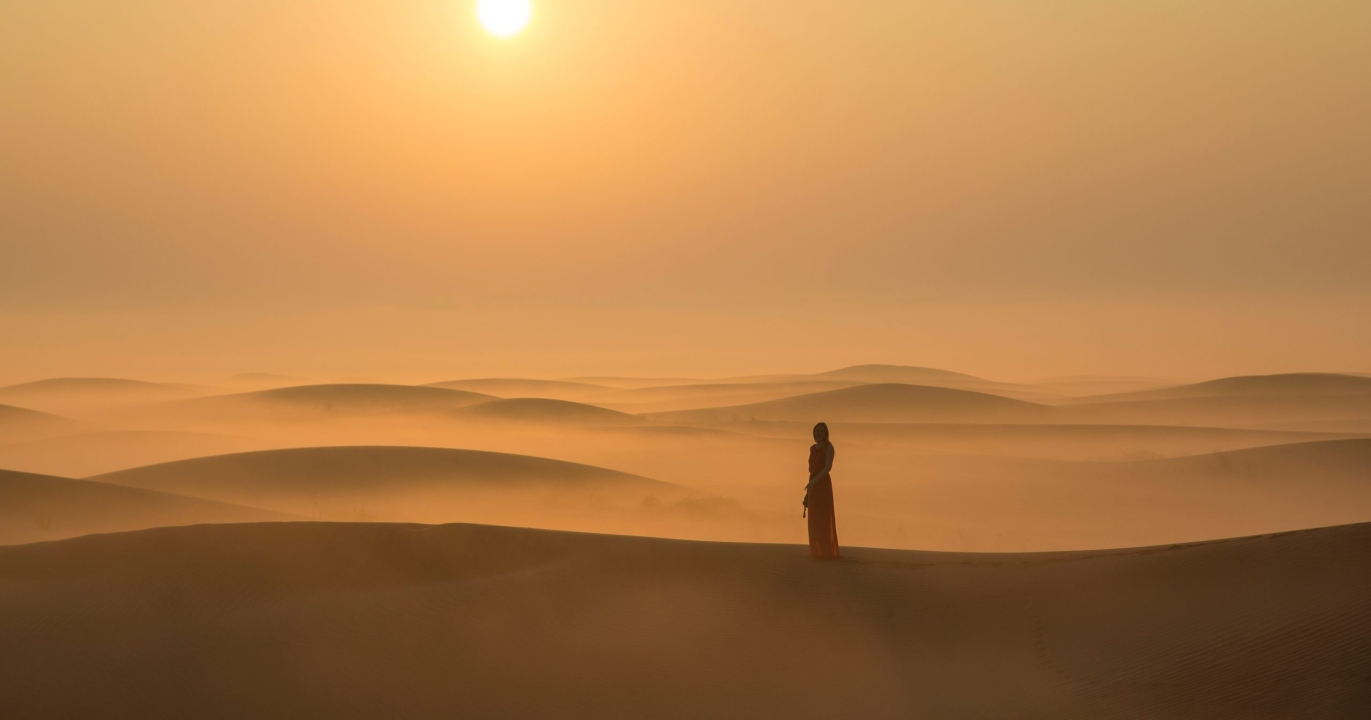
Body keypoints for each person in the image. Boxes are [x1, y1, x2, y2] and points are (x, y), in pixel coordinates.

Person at [803, 422, 840, 559]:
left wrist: (813, 481)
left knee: (822, 518)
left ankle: (826, 551)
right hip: (813, 483)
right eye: (817, 431)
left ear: (826, 433)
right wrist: (811, 483)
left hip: (822, 483)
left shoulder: (828, 448)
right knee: (814, 518)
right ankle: (818, 551)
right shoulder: (812, 448)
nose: (819, 433)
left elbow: (827, 468)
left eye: (822, 431)